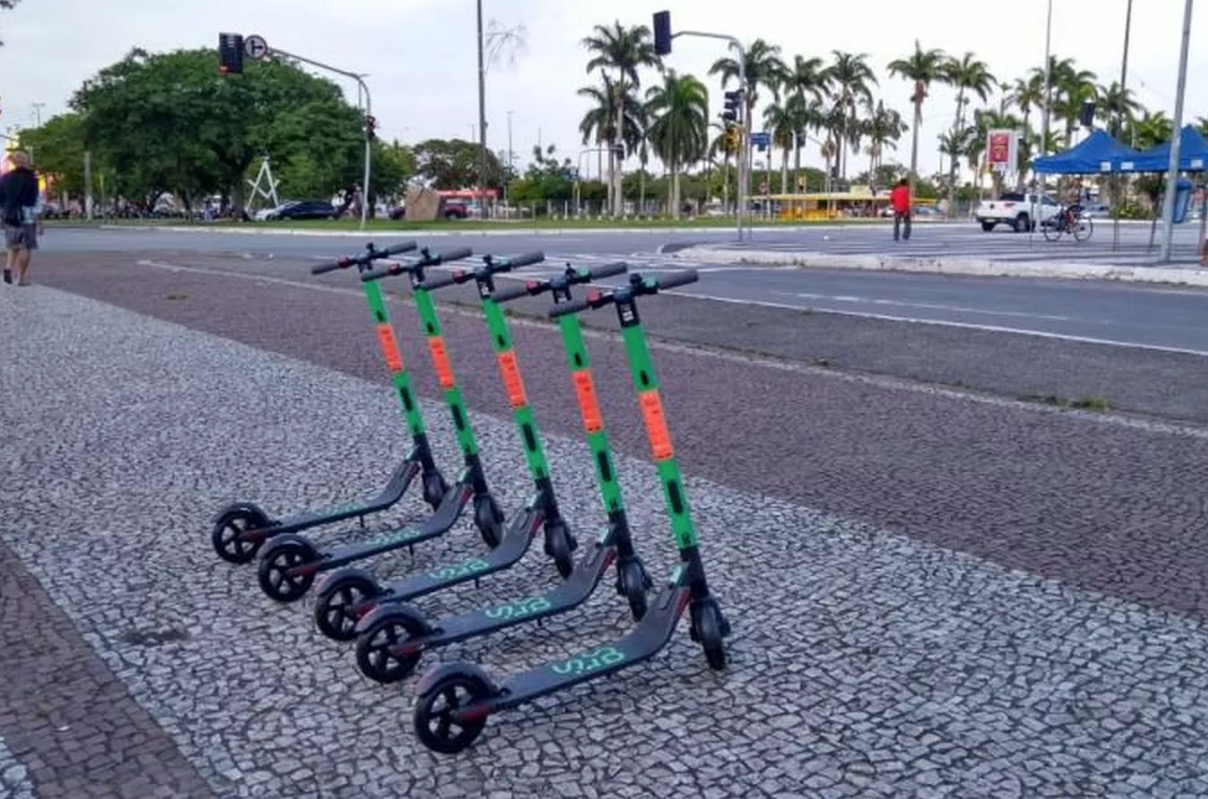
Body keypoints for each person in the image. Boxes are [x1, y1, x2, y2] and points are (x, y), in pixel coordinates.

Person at [0, 151, 42, 286]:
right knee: (25, 247)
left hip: (9, 215)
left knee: (12, 245)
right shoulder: (32, 179)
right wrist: (39, 221)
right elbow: (34, 201)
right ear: (26, 161)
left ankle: (7, 267)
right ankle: (21, 278)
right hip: (26, 216)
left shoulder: (5, 178)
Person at [889, 177, 911, 241]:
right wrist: (906, 209)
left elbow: (892, 199)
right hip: (905, 208)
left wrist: (895, 205)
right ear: (906, 183)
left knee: (896, 224)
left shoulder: (895, 190)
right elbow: (906, 200)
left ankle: (896, 237)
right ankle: (905, 236)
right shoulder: (907, 190)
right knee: (907, 223)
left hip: (897, 209)